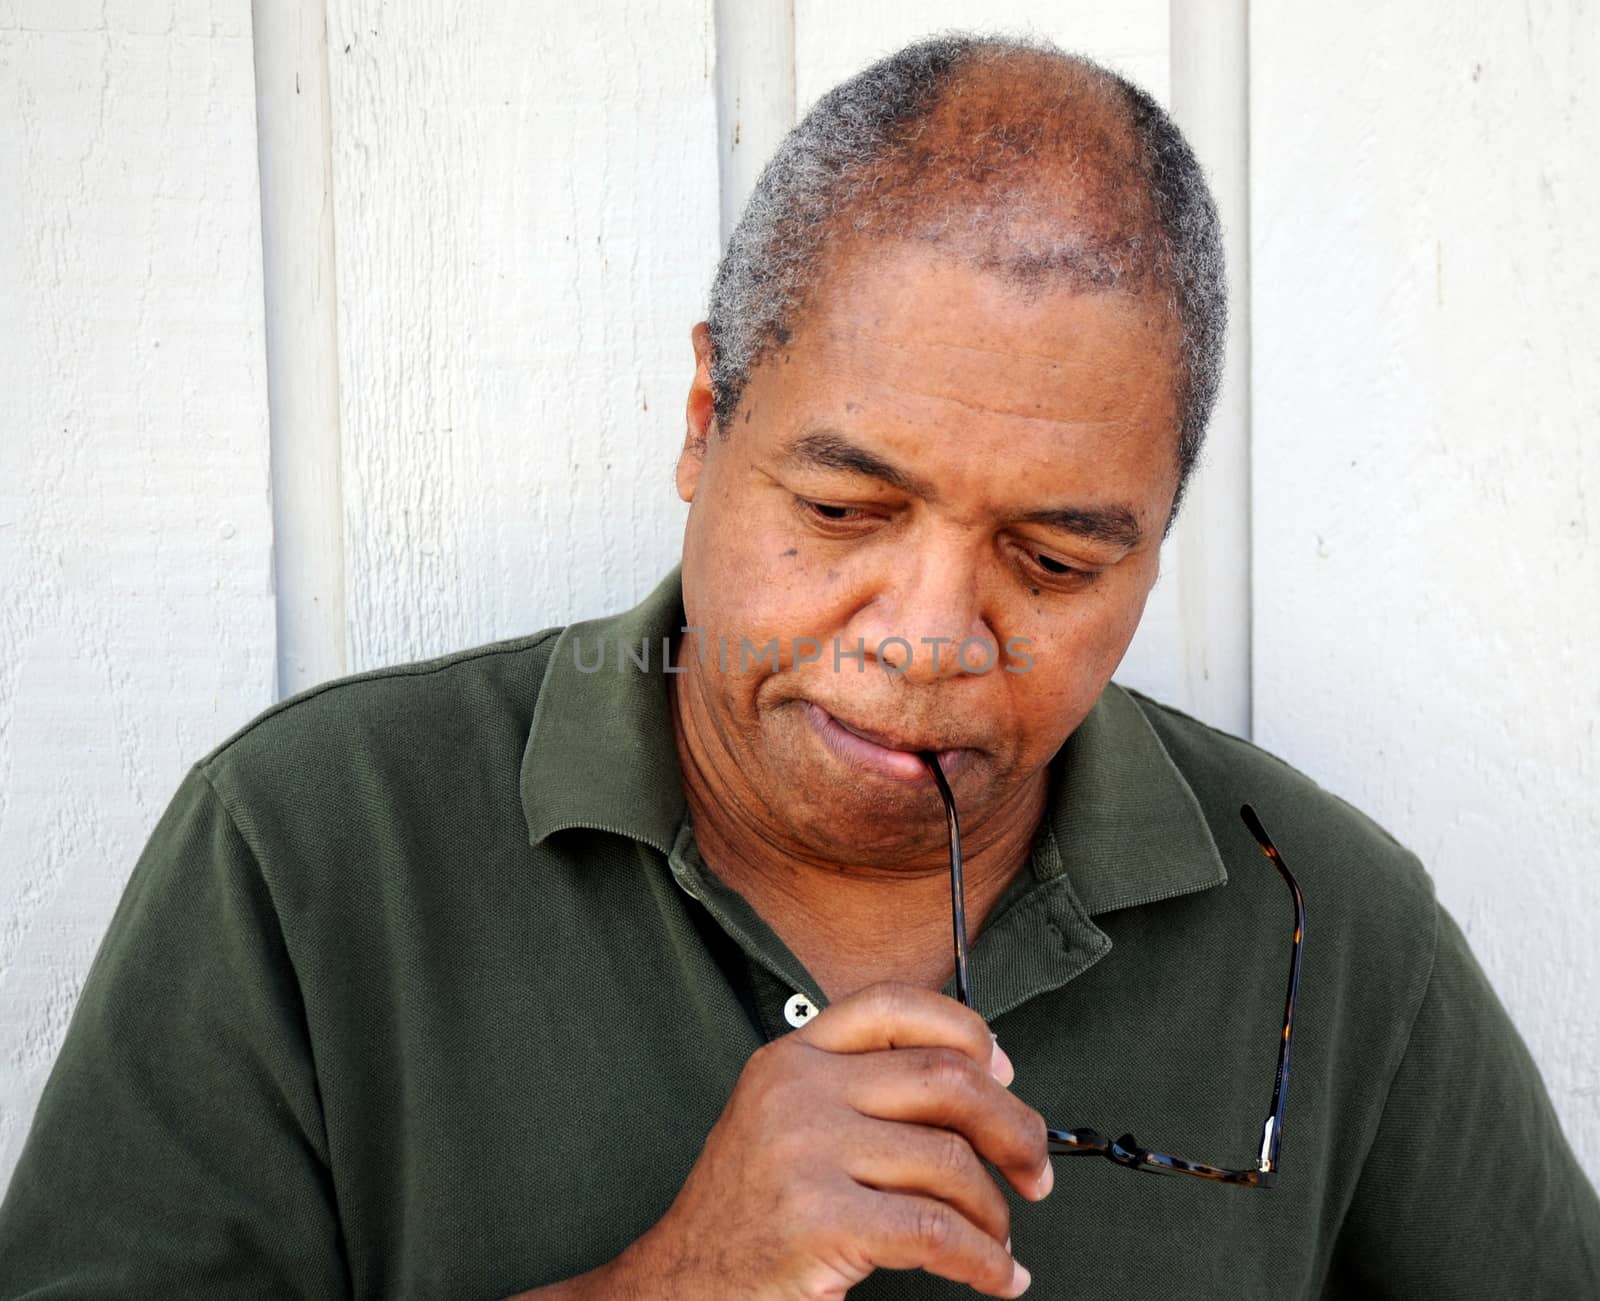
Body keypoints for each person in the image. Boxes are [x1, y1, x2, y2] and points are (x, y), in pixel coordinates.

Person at [1, 32, 1596, 1301]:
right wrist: (676, 1283)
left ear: (1158, 542)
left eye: (1054, 560)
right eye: (844, 507)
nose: (925, 635)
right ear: (707, 422)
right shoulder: (310, 850)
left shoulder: (1319, 917)